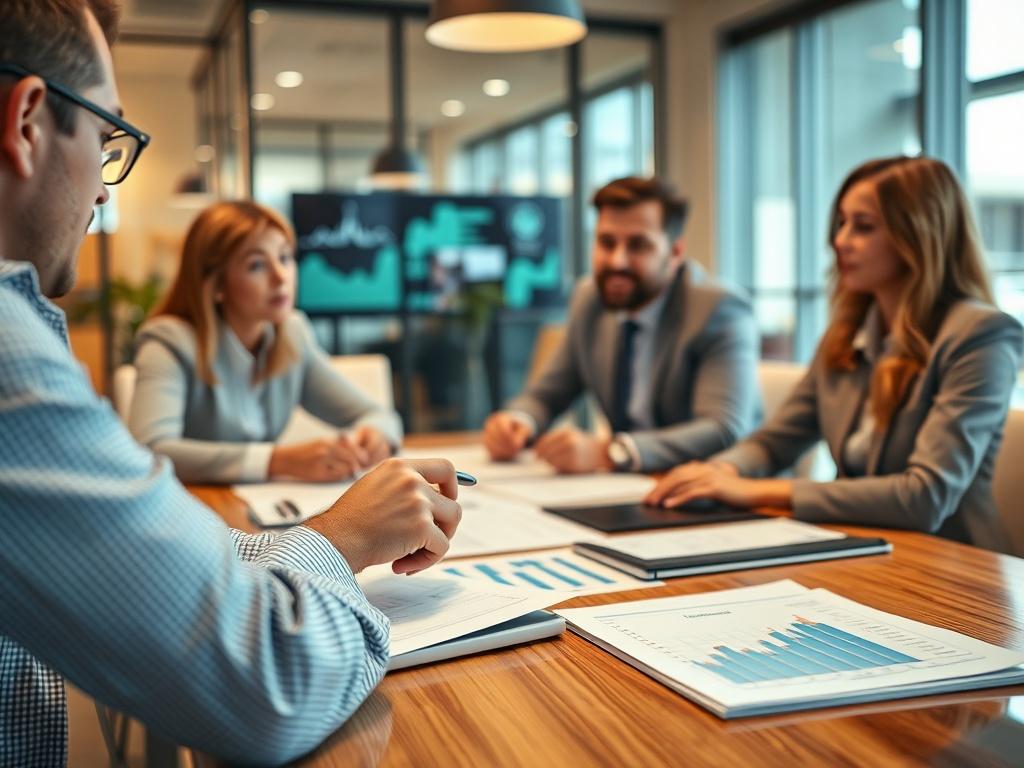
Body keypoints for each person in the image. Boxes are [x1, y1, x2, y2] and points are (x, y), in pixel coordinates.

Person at [0, 2, 460, 764]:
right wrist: (337, 532)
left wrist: (363, 455)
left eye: (285, 259)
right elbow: (269, 684)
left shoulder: (292, 337)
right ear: (27, 122)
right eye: (108, 138)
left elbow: (369, 413)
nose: (106, 190)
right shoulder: (34, 355)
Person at [646, 156, 1022, 551]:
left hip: (953, 567)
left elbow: (924, 497)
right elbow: (776, 441)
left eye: (863, 226)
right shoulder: (847, 335)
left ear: (918, 236)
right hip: (862, 548)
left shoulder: (981, 335)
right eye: (841, 223)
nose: (839, 241)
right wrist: (720, 470)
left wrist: (753, 491)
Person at [484, 176, 759, 474]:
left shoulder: (719, 308)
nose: (617, 261)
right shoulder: (589, 298)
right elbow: (546, 394)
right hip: (629, 488)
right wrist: (518, 421)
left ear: (675, 253)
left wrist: (611, 452)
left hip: (717, 490)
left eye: (638, 245)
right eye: (606, 242)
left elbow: (722, 428)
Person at [129, 200, 402, 484]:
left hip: (260, 510)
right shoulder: (168, 342)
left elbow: (377, 415)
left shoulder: (292, 334)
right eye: (257, 265)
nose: (280, 276)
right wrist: (278, 460)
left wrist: (373, 436)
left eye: (285, 258)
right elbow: (150, 451)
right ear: (216, 285)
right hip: (190, 512)